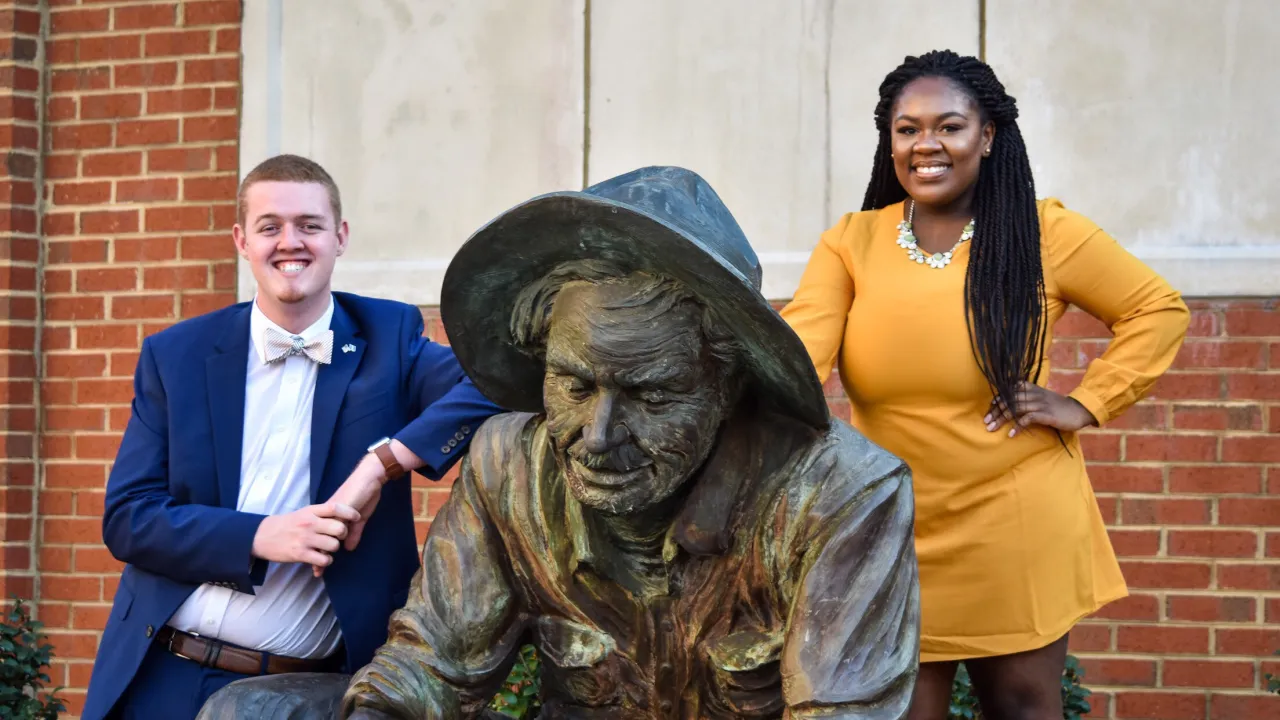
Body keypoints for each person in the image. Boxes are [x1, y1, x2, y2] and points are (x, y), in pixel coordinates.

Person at [323, 166, 920, 718]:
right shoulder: (507, 469)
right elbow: (430, 668)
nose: (599, 437)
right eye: (575, 385)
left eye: (653, 397)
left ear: (727, 386)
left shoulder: (838, 495)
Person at [780, 50, 1190, 720]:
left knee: (1024, 707)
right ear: (890, 143)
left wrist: (1087, 402)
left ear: (988, 136)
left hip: (1014, 519)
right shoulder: (852, 243)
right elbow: (800, 351)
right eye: (907, 130)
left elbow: (1157, 309)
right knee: (901, 710)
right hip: (894, 527)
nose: (927, 145)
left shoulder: (1043, 232)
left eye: (949, 126)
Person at [81, 154, 505, 720]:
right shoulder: (177, 355)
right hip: (162, 676)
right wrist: (261, 536)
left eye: (309, 225)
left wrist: (381, 463)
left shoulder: (389, 339)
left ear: (340, 236)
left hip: (304, 695)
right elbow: (128, 518)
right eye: (270, 226)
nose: (291, 242)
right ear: (241, 239)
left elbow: (503, 381)